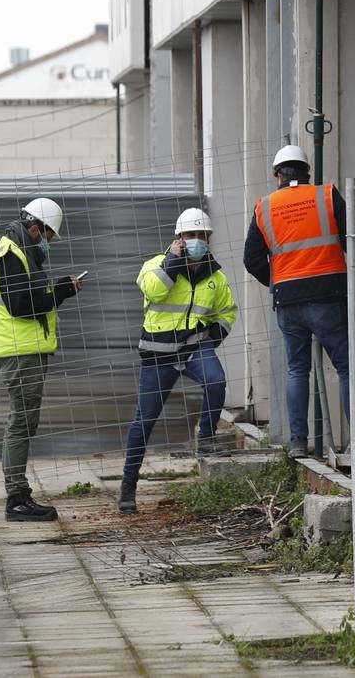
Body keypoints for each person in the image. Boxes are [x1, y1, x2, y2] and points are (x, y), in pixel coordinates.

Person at [243, 145, 355, 459]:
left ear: (277, 175)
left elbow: (251, 259)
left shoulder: (264, 207)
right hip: (328, 295)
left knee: (297, 370)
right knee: (345, 368)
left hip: (289, 299)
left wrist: (277, 282)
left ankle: (298, 442)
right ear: (307, 172)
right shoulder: (326, 196)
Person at [118, 207, 237, 514]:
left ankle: (206, 436)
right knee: (144, 420)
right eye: (190, 235)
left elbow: (227, 312)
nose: (196, 240)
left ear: (208, 238)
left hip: (194, 348)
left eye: (201, 235)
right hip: (158, 354)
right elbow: (154, 292)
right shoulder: (155, 266)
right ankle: (128, 487)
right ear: (178, 238)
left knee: (216, 381)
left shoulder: (216, 275)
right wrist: (172, 261)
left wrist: (211, 339)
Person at [0, 197, 84, 522]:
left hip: (23, 350)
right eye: (49, 236)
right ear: (34, 229)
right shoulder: (12, 253)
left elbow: (28, 297)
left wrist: (57, 289)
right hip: (18, 352)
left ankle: (18, 494)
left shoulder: (19, 250)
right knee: (20, 422)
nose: (49, 243)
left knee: (24, 421)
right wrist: (61, 292)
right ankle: (16, 497)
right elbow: (21, 305)